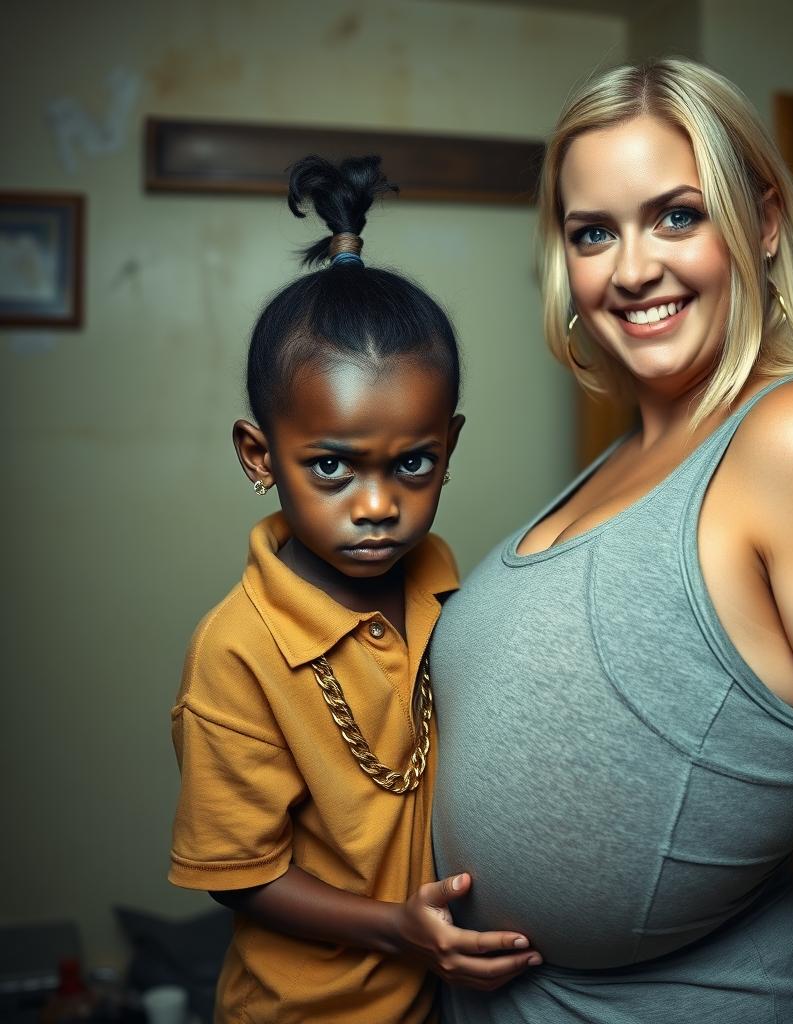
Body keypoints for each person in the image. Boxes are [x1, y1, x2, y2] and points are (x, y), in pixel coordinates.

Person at [430, 59, 793, 1023]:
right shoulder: (627, 455)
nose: (632, 270)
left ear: (765, 222)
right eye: (593, 232)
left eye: (676, 214)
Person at [167, 154, 540, 1024]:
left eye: (413, 464)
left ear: (448, 445)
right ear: (259, 457)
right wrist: (396, 929)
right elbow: (242, 877)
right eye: (331, 466)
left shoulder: (452, 590)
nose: (378, 508)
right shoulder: (236, 652)